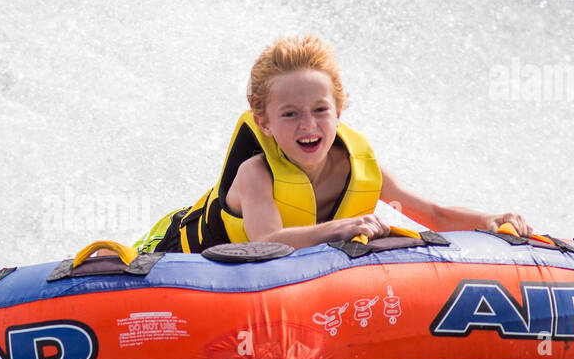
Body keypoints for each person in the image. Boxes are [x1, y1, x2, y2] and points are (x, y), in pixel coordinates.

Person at [137, 35, 533, 253]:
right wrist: (341, 228)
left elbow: (434, 214)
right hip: (171, 253)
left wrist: (487, 221)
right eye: (290, 114)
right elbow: (266, 243)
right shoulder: (255, 173)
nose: (308, 126)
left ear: (339, 111)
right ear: (265, 124)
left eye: (320, 110)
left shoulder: (359, 169)